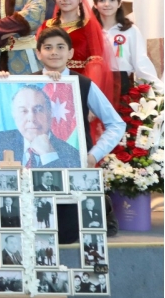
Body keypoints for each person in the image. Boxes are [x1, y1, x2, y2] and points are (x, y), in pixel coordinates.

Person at [31, 27, 126, 241]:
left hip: (73, 167)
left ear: (71, 53)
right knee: (36, 233)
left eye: (60, 47)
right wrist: (1, 80)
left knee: (67, 235)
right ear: (38, 53)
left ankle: (103, 206)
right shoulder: (24, 82)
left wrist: (94, 155)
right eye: (48, 47)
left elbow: (116, 124)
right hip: (34, 170)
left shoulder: (83, 84)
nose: (54, 52)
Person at [37, 0, 116, 102]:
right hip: (50, 84)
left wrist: (87, 94)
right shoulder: (46, 25)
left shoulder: (89, 25)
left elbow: (95, 63)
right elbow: (40, 58)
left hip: (79, 84)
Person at [0, 85, 80, 168]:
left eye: (38, 110)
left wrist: (49, 155)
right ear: (14, 115)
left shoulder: (72, 154)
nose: (31, 118)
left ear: (50, 112)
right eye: (23, 111)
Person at [94, 0, 161, 95]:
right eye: (102, 0)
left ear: (119, 3)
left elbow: (140, 61)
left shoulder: (130, 30)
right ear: (95, 4)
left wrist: (158, 90)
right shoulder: (91, 30)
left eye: (112, 0)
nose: (107, 4)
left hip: (123, 85)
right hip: (96, 84)